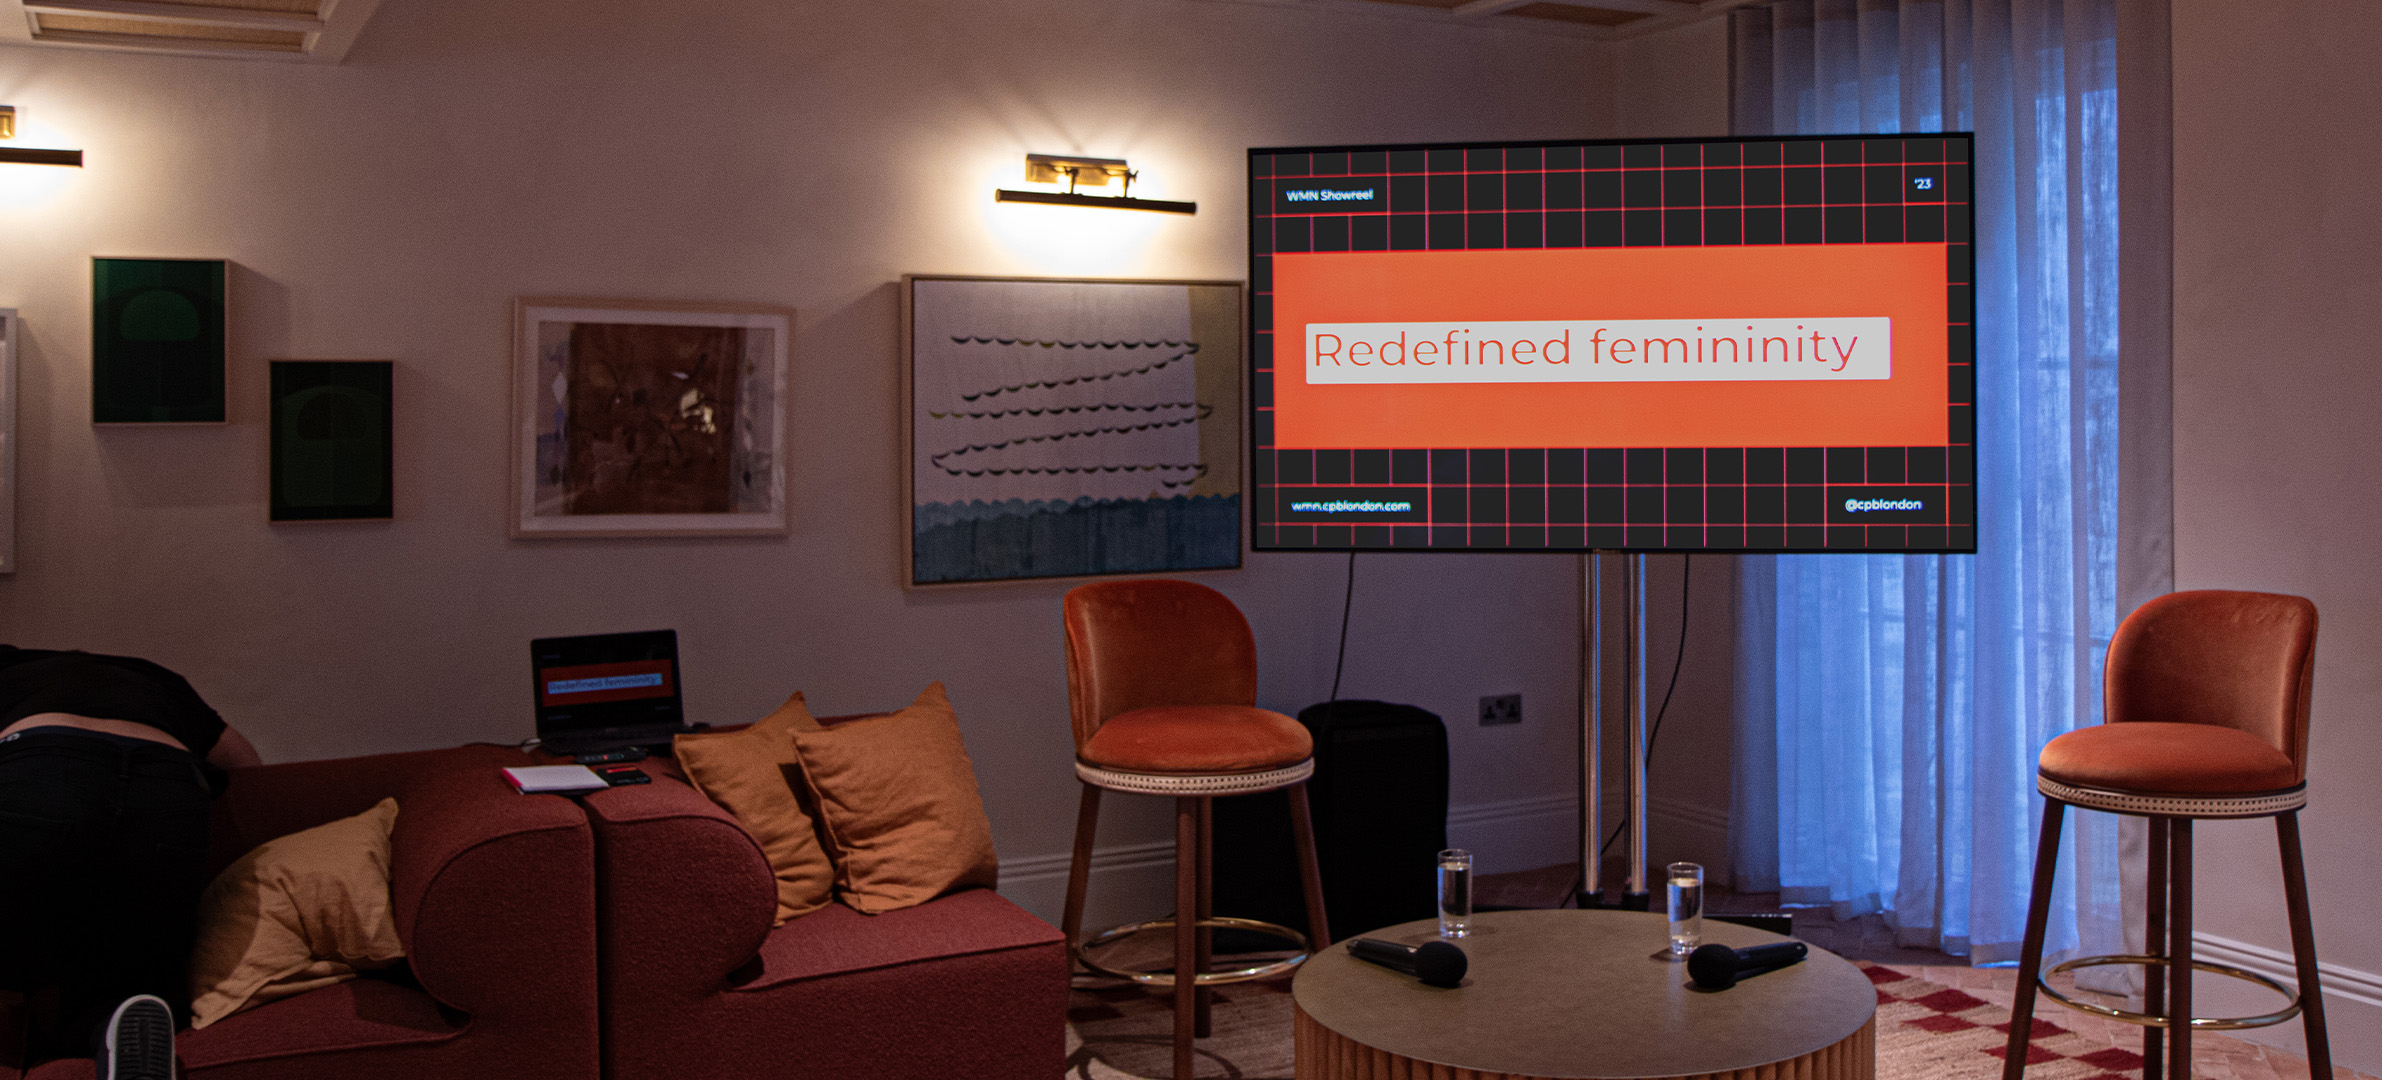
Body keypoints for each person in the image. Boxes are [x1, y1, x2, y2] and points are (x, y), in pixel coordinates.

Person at [0, 646, 261, 1080]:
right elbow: (246, 765)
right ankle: (116, 1023)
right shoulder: (157, 678)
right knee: (118, 979)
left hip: (43, 769)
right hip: (168, 791)